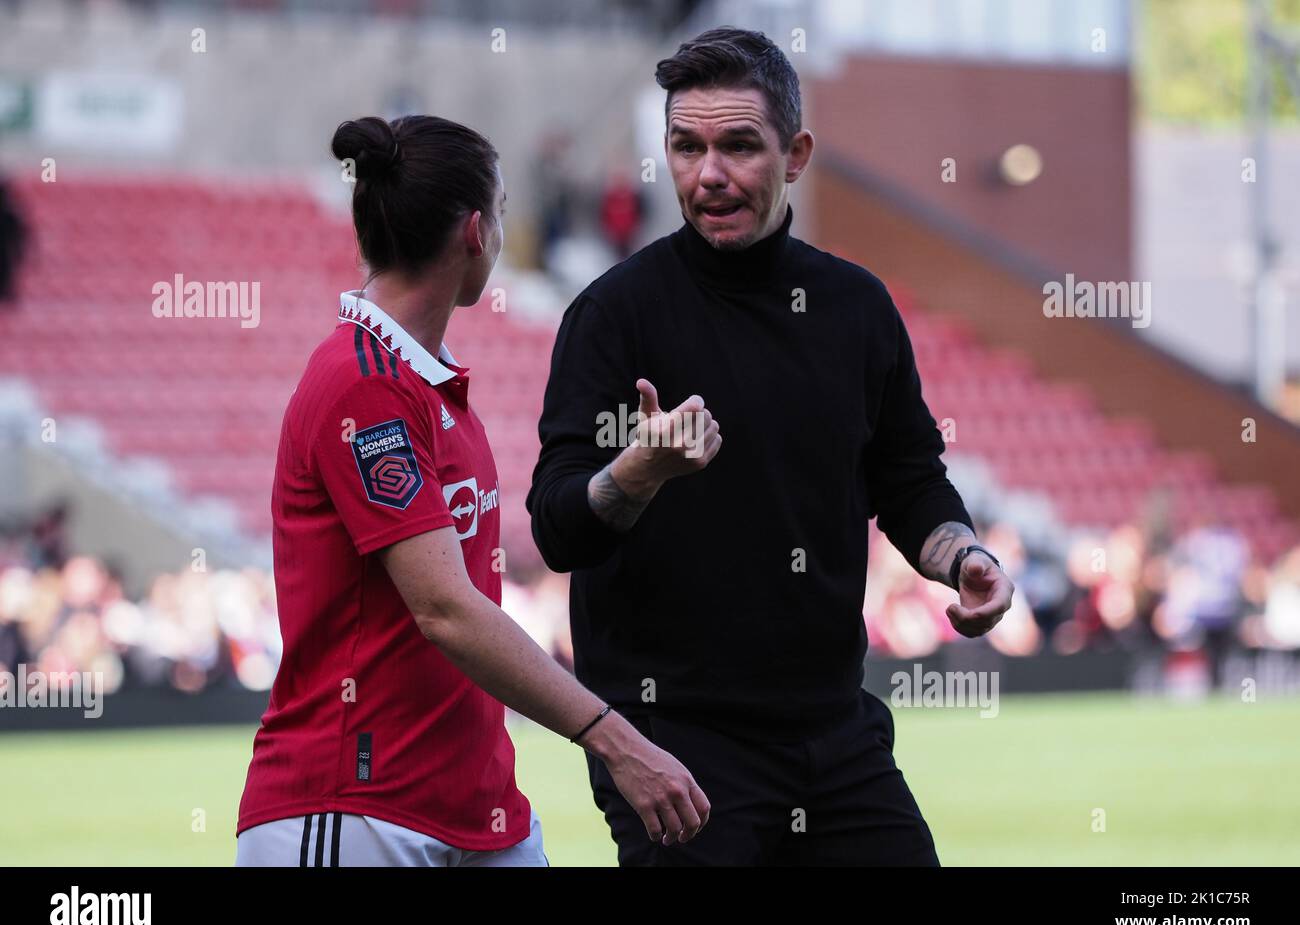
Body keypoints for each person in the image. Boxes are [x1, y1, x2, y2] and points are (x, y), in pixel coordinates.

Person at [527, 28, 1015, 866]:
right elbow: (557, 528)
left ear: (795, 154)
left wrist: (960, 553)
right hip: (675, 746)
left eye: (738, 146)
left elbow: (908, 479)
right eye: (686, 147)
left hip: (835, 731)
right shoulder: (613, 316)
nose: (708, 173)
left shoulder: (856, 309)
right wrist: (638, 471)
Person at [236, 115, 709, 867]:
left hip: (479, 808)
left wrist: (639, 470)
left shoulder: (425, 376)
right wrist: (615, 738)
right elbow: (446, 609)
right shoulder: (363, 383)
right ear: (475, 231)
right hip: (357, 807)